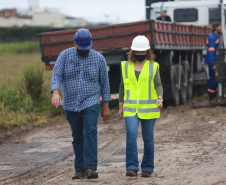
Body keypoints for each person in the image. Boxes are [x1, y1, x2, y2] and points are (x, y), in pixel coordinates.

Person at [51, 28, 111, 179]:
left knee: (89, 131)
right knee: (77, 136)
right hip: (71, 103)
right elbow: (57, 74)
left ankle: (90, 168)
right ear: (75, 43)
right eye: (81, 47)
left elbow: (104, 83)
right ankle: (79, 169)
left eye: (87, 47)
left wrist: (106, 106)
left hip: (91, 101)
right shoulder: (64, 55)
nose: (84, 50)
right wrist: (56, 93)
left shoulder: (98, 58)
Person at [118, 35, 163, 177]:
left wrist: (160, 98)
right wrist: (120, 106)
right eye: (137, 52)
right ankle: (131, 167)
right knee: (131, 135)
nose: (140, 54)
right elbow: (121, 87)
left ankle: (147, 168)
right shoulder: (125, 66)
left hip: (149, 109)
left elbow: (158, 84)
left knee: (148, 138)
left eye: (143, 52)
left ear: (147, 52)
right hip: (130, 108)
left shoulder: (153, 66)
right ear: (132, 52)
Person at [204, 21, 222, 101]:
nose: (221, 27)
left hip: (215, 61)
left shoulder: (215, 36)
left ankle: (214, 96)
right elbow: (211, 52)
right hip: (213, 62)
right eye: (219, 26)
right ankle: (211, 98)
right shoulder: (212, 37)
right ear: (216, 28)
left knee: (215, 79)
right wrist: (213, 64)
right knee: (213, 79)